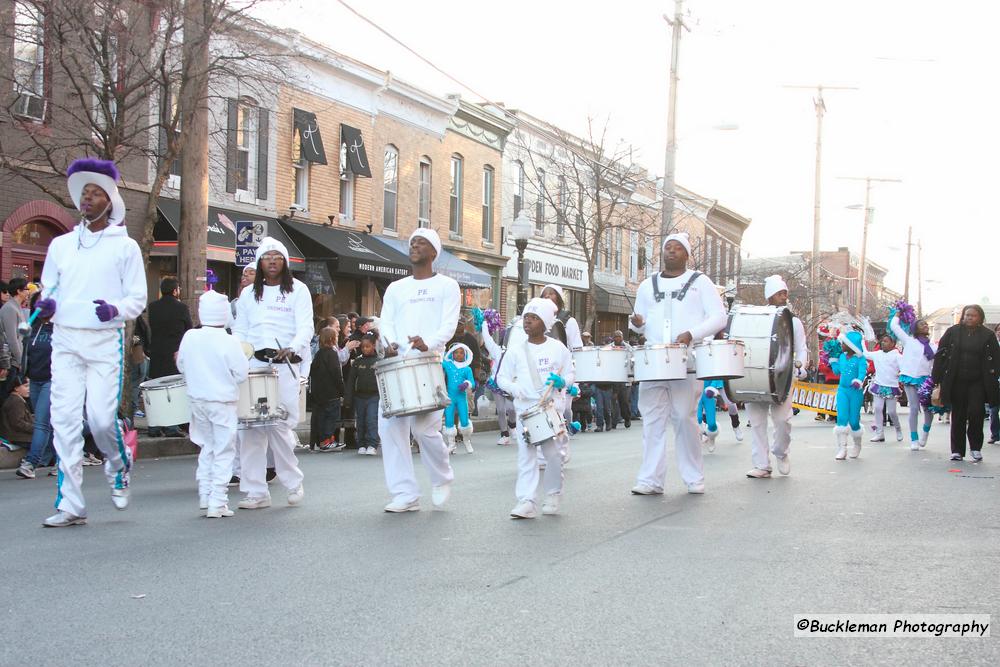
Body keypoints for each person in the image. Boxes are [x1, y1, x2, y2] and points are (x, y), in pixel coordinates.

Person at [37, 158, 147, 527]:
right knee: (64, 421)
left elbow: (137, 298)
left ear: (110, 200)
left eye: (95, 192)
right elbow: (49, 285)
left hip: (104, 341)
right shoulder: (61, 245)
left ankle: (119, 464)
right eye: (84, 192)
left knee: (100, 421)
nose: (87, 198)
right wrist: (47, 302)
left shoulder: (125, 247)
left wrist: (114, 308)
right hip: (65, 339)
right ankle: (72, 504)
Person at [628, 233, 727, 495]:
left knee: (684, 417)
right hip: (653, 360)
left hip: (687, 360)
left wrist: (692, 334)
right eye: (667, 248)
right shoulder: (647, 285)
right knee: (652, 419)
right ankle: (650, 479)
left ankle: (694, 477)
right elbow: (638, 324)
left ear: (687, 254)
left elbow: (719, 317)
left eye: (677, 248)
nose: (671, 252)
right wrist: (637, 323)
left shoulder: (700, 282)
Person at [376, 227, 460, 513]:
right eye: (412, 243)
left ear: (434, 252)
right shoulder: (396, 288)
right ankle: (405, 493)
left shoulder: (447, 286)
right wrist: (389, 343)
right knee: (390, 427)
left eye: (421, 243)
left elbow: (448, 325)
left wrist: (430, 343)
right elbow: (385, 322)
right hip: (397, 365)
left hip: (427, 363)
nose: (414, 246)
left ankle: (441, 478)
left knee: (425, 429)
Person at [233, 237, 312, 509]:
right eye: (267, 257)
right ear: (259, 262)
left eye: (277, 257)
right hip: (254, 366)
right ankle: (256, 491)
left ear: (285, 262)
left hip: (284, 365)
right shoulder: (247, 295)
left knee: (279, 426)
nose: (272, 261)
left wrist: (293, 347)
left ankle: (293, 481)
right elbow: (240, 329)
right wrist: (240, 355)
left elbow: (306, 326)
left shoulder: (298, 290)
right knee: (251, 429)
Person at [497, 298, 575, 518]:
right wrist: (514, 388)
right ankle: (526, 500)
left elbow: (570, 373)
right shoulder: (515, 351)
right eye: (526, 318)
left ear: (545, 323)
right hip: (525, 411)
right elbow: (501, 378)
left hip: (550, 410)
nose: (528, 322)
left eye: (534, 318)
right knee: (526, 455)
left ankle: (553, 493)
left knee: (552, 455)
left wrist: (563, 382)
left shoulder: (558, 348)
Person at [176, 290, 249, 518]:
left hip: (197, 400)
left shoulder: (190, 336)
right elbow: (241, 373)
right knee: (224, 450)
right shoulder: (230, 341)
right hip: (223, 402)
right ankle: (217, 501)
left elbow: (181, 365)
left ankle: (205, 494)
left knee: (206, 447)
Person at [745, 276, 808, 478]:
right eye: (780, 293)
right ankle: (762, 465)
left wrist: (802, 367)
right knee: (756, 422)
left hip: (783, 376)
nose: (784, 297)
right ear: (769, 296)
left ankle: (781, 452)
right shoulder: (757, 316)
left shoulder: (794, 321)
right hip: (756, 374)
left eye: (785, 293)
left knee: (782, 421)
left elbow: (802, 348)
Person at [932, 305, 1000, 462]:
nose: (969, 318)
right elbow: (941, 354)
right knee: (958, 415)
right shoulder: (953, 332)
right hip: (956, 380)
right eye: (967, 315)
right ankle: (957, 451)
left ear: (980, 318)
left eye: (973, 315)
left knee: (976, 412)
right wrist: (936, 377)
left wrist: (994, 374)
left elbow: (996, 358)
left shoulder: (988, 335)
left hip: (978, 381)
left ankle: (975, 448)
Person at [15, 297, 56, 479]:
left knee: (41, 421)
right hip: (35, 379)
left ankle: (31, 462)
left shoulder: (61, 329)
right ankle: (61, 460)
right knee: (51, 423)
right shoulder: (34, 327)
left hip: (53, 380)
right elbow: (25, 352)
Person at [146, 277, 192, 437]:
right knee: (173, 391)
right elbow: (188, 328)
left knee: (156, 389)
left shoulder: (152, 307)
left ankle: (154, 426)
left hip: (157, 352)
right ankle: (171, 426)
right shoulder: (182, 308)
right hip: (174, 352)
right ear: (175, 290)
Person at [889, 308, 937, 448]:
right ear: (915, 328)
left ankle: (925, 433)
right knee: (914, 408)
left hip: (926, 380)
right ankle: (914, 439)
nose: (925, 326)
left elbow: (935, 363)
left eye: (926, 324)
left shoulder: (933, 346)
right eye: (922, 324)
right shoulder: (908, 340)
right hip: (910, 378)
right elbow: (894, 326)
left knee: (928, 410)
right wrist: (897, 314)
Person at [478, 315, 517, 446]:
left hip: (510, 384)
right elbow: (487, 339)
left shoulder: (516, 352)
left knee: (511, 409)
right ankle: (504, 435)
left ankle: (512, 425)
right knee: (501, 410)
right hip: (497, 384)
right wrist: (484, 323)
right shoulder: (496, 350)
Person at [831, 330, 868, 460]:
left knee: (853, 421)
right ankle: (842, 448)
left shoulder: (860, 359)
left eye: (844, 343)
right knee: (841, 418)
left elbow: (862, 372)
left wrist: (859, 380)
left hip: (855, 392)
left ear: (851, 345)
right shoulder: (841, 357)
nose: (841, 344)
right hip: (843, 390)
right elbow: (836, 372)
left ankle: (857, 444)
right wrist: (833, 360)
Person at [310, 326, 346, 453]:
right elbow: (336, 373)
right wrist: (343, 390)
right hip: (332, 392)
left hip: (319, 393)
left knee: (322, 417)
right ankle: (326, 441)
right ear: (332, 339)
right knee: (331, 417)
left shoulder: (318, 354)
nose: (337, 338)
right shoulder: (332, 354)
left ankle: (323, 441)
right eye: (336, 337)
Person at [863, 334, 904, 444]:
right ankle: (879, 433)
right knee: (877, 408)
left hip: (891, 387)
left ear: (893, 344)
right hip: (879, 385)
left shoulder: (897, 356)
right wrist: (863, 342)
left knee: (891, 412)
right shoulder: (877, 354)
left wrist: (901, 376)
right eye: (882, 341)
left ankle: (898, 429)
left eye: (886, 341)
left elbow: (903, 367)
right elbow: (865, 354)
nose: (883, 343)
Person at [344, 333, 380, 456]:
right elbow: (351, 381)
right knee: (360, 421)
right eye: (363, 347)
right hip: (359, 396)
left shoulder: (379, 361)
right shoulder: (357, 362)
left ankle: (372, 444)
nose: (365, 349)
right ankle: (362, 444)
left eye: (368, 346)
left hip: (374, 396)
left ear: (374, 346)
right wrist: (348, 399)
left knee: (371, 419)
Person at [442, 343, 476, 454]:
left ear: (465, 354)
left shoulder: (467, 369)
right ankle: (451, 445)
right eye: (456, 352)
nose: (459, 355)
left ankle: (467, 440)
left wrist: (466, 384)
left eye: (461, 353)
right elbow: (438, 361)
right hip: (450, 397)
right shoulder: (448, 365)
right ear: (452, 353)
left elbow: (472, 382)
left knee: (465, 421)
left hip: (461, 397)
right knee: (449, 420)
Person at [0, 278, 30, 398]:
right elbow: (12, 338)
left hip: (17, 360)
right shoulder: (9, 308)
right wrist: (19, 361)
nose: (28, 292)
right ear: (19, 291)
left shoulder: (17, 308)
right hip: (10, 362)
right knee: (6, 396)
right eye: (26, 289)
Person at [3, 377, 34, 450]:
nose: (29, 389)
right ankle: (33, 460)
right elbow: (18, 423)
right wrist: (36, 429)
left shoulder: (17, 399)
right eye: (26, 386)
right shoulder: (15, 401)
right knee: (46, 442)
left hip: (17, 436)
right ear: (16, 388)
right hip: (16, 437)